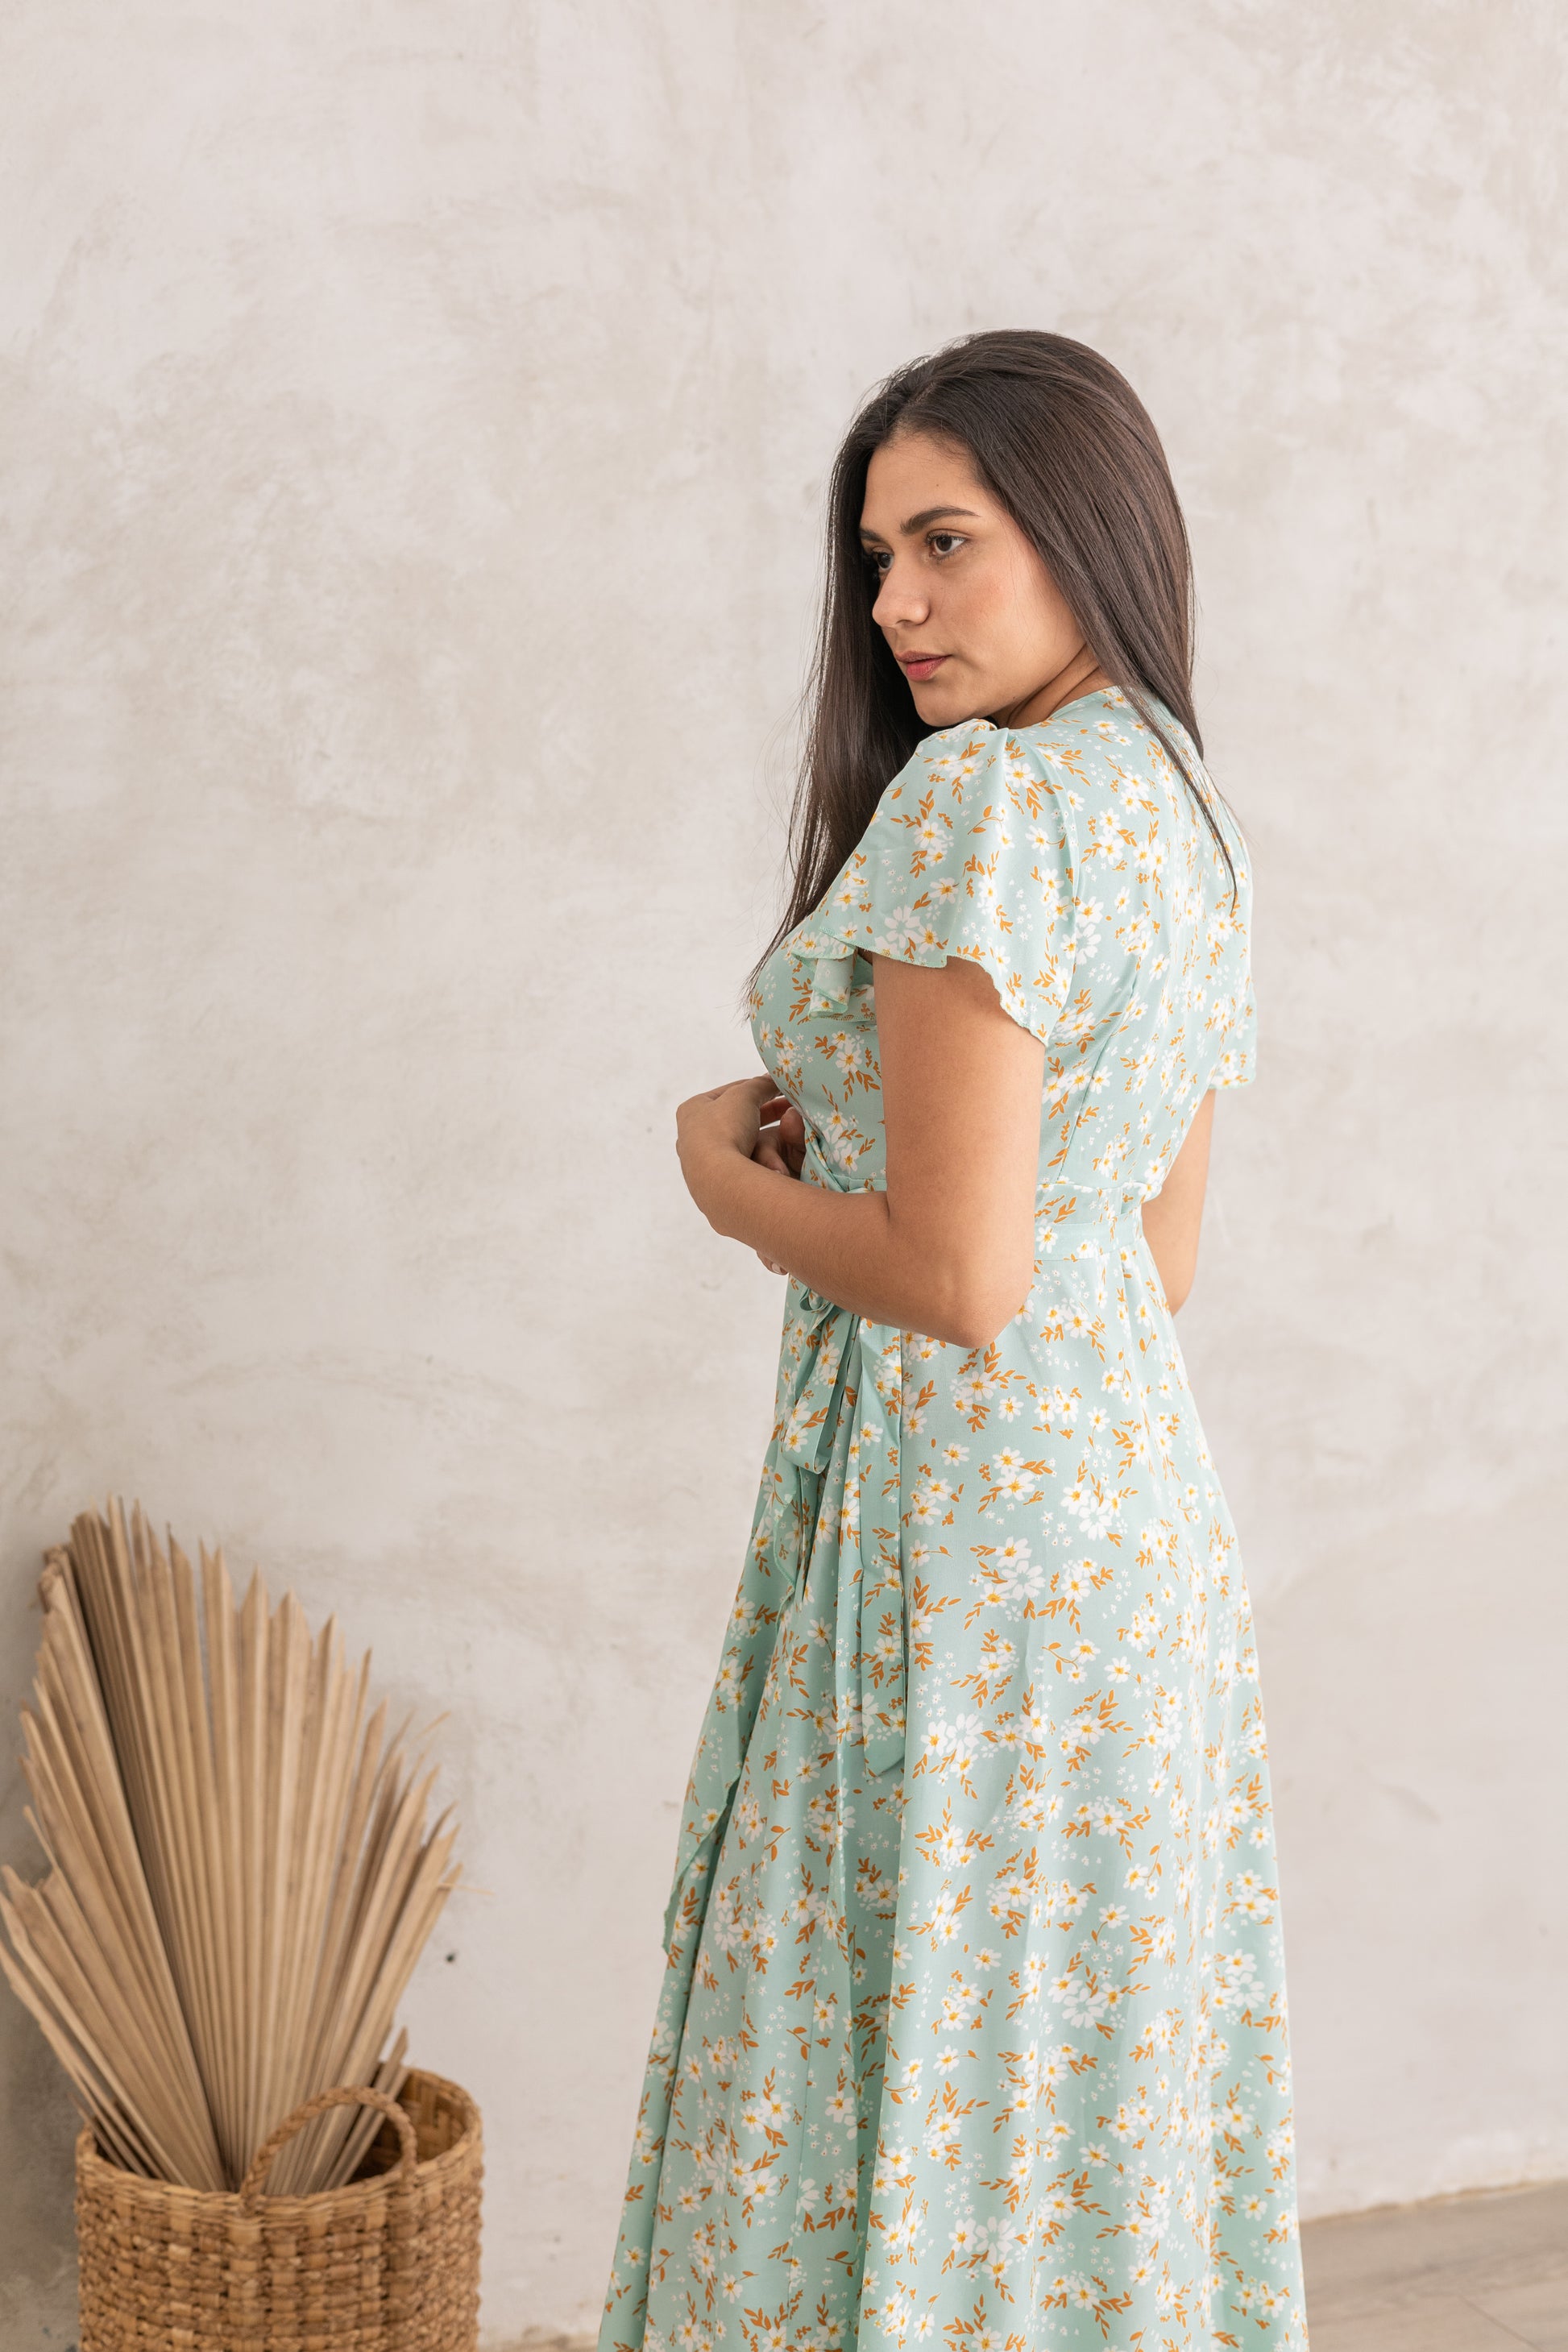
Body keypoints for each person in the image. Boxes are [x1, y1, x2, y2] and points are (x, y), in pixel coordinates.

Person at [598, 330, 1308, 2352]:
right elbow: (1146, 1253)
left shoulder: (985, 802)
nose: (894, 602)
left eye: (944, 541)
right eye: (873, 556)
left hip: (955, 1540)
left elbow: (960, 1276)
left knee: (865, 2060)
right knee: (1060, 2088)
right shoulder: (1179, 808)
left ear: (1081, 532)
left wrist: (721, 1176)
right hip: (1131, 1528)